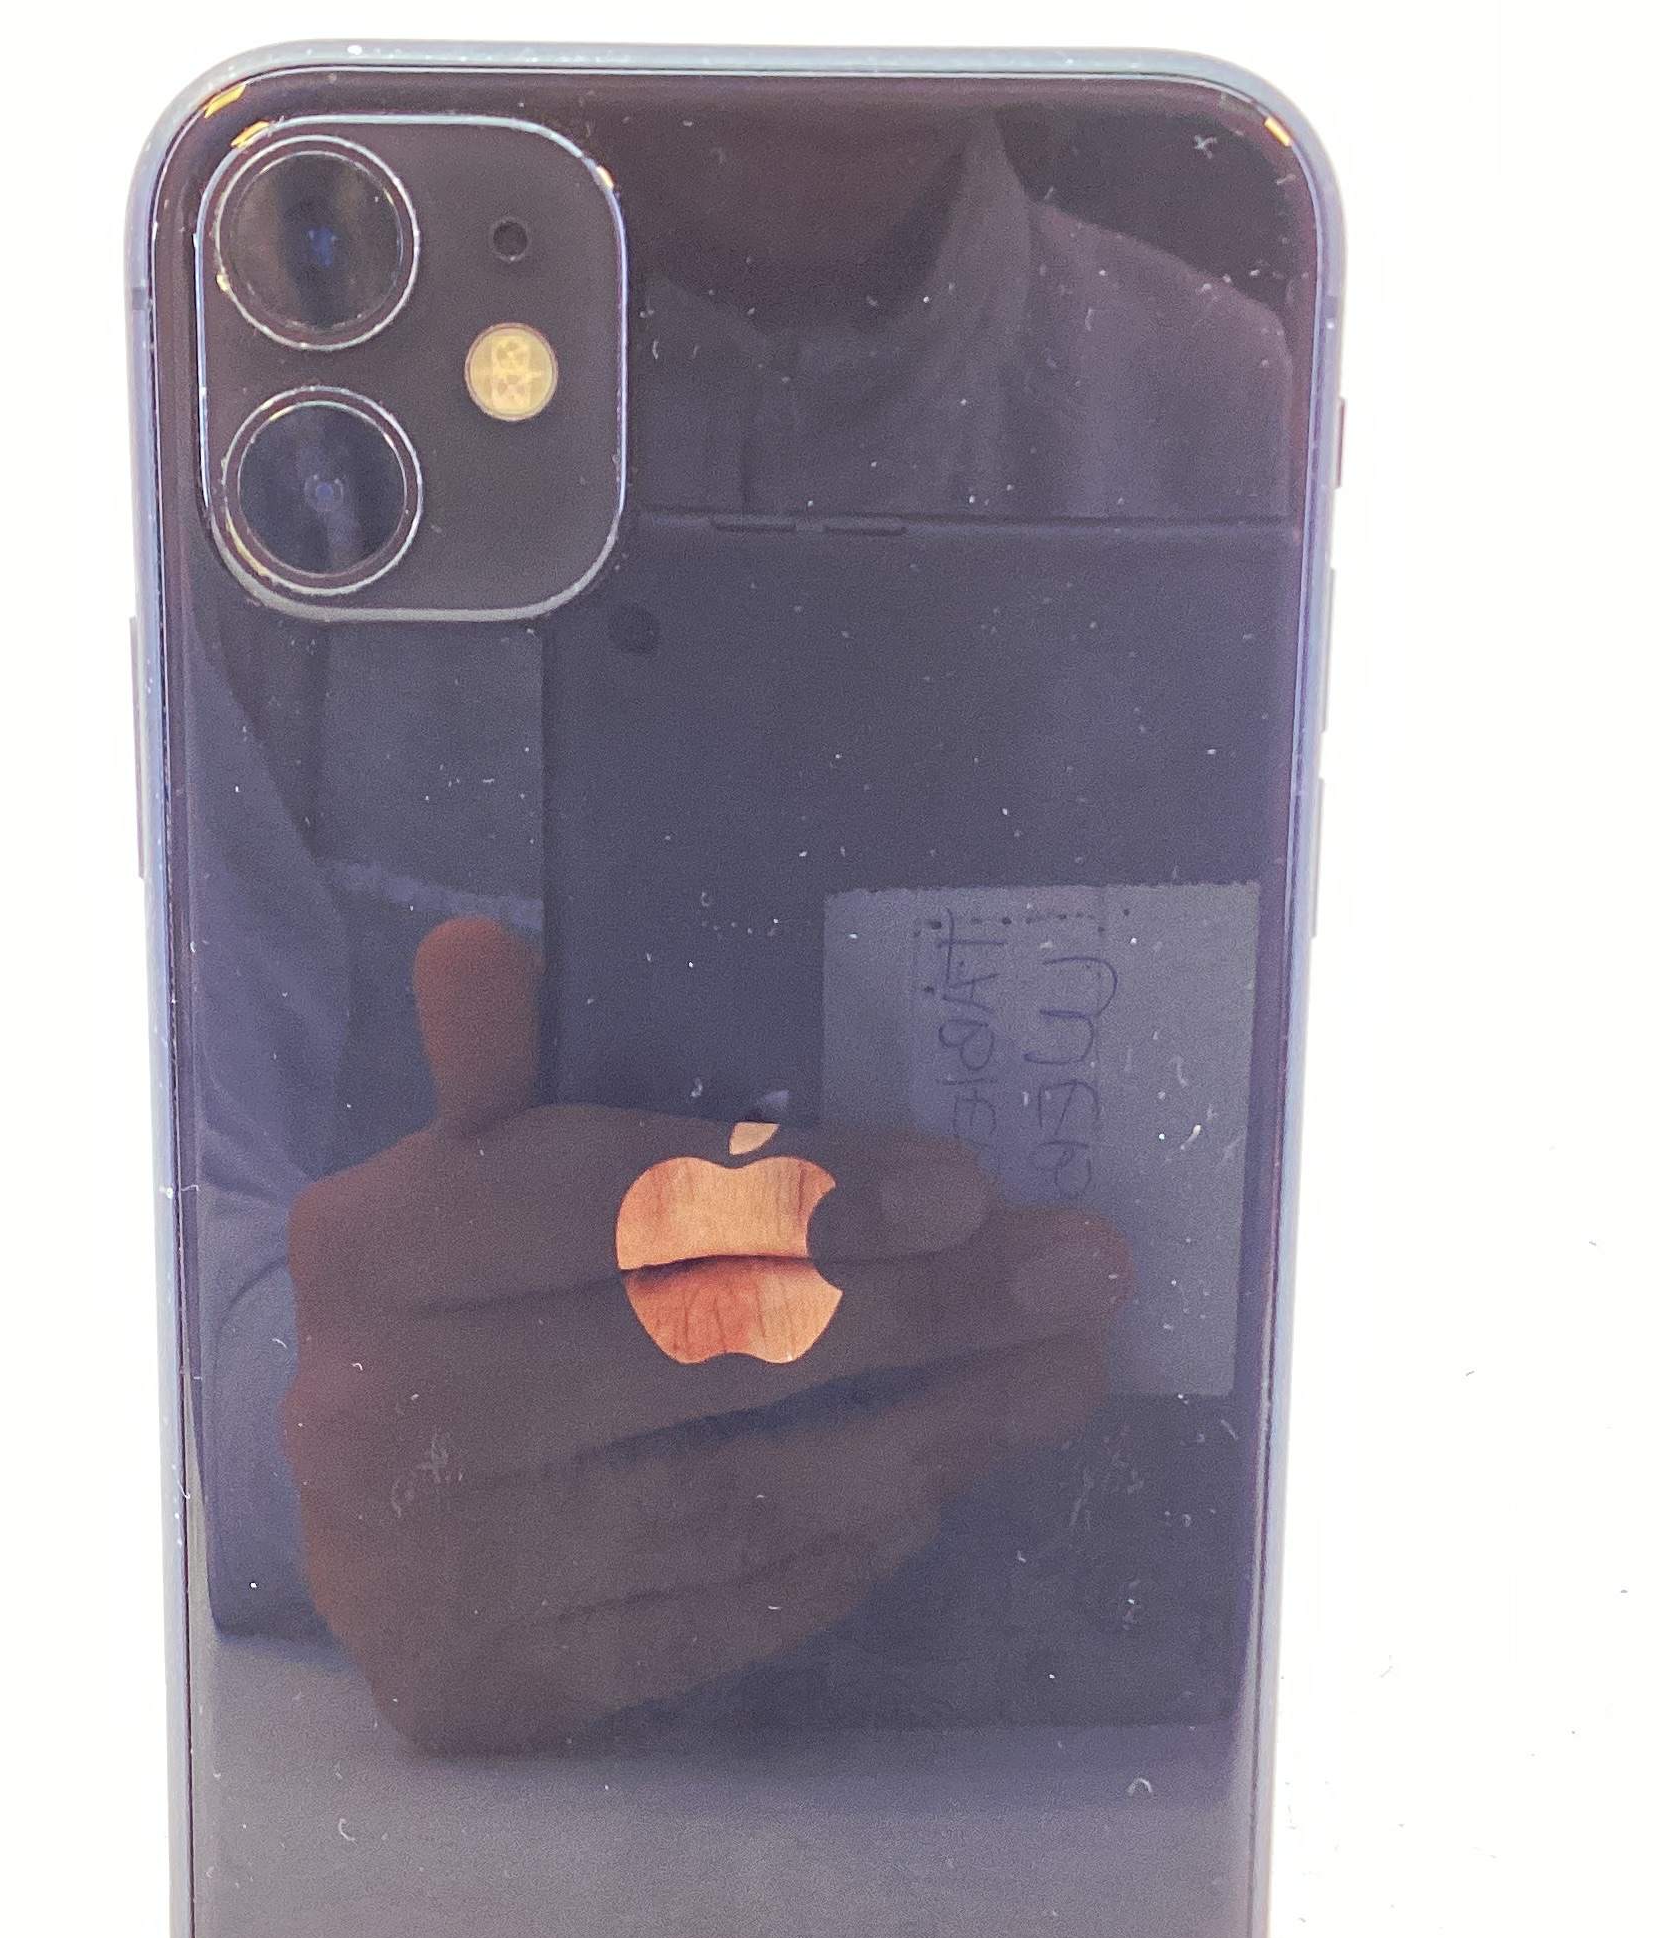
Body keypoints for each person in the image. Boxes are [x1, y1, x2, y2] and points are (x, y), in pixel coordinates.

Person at [182, 114, 1299, 1747]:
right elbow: (70, 1256)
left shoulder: (1224, 400)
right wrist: (322, 1441)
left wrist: (306, 1425)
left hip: (1080, 1761)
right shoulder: (245, 416)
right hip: (454, 1806)